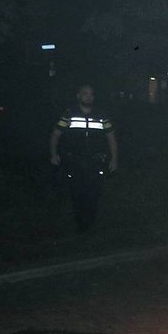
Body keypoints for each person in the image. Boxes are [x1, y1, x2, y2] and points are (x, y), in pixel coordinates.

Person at [50, 84, 118, 232]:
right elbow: (56, 134)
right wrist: (54, 153)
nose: (88, 97)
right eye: (85, 94)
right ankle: (81, 224)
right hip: (75, 161)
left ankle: (91, 223)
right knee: (77, 192)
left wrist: (114, 159)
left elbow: (110, 137)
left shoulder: (101, 116)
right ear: (78, 96)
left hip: (95, 161)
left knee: (94, 192)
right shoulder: (69, 114)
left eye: (91, 94)